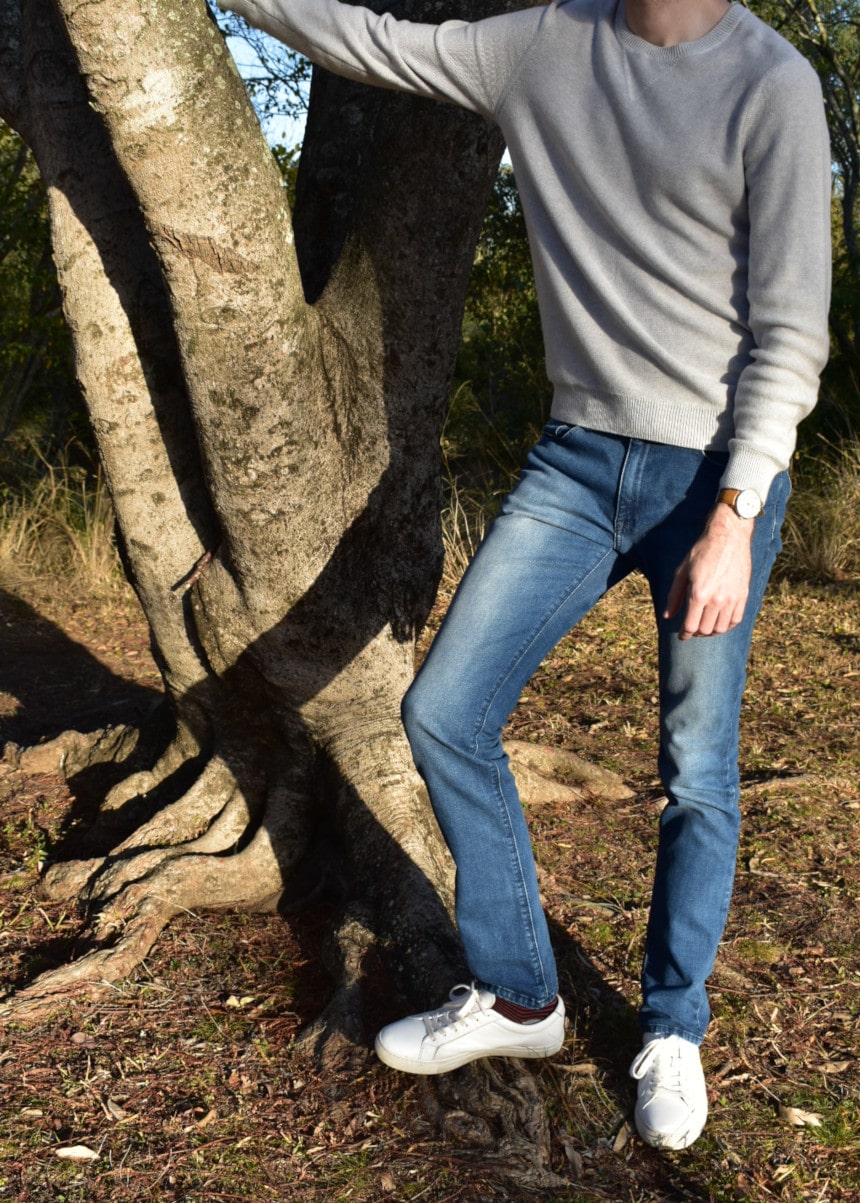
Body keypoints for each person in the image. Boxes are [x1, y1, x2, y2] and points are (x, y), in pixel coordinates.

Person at [218, 0, 831, 1149]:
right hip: (578, 458)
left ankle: (670, 1028)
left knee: (695, 765)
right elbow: (367, 41)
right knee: (444, 710)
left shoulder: (769, 82)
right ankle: (518, 995)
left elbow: (790, 329)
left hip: (716, 476)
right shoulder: (538, 42)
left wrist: (737, 516)